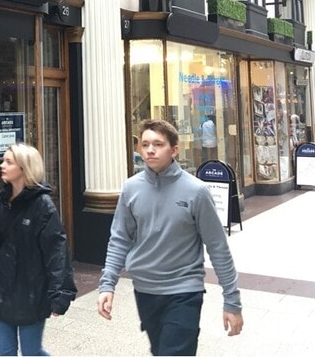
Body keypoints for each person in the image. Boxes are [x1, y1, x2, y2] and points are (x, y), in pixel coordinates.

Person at [97, 119, 243, 356]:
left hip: (184, 291)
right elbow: (120, 239)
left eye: (158, 144)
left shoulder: (196, 191)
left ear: (174, 150)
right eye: (145, 144)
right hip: (145, 290)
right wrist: (107, 285)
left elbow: (217, 247)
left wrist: (232, 301)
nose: (150, 150)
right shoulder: (131, 188)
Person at [0, 143, 76, 356]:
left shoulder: (43, 207)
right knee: (5, 352)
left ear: (24, 168)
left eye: (9, 162)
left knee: (31, 352)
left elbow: (56, 253)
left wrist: (60, 294)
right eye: (3, 160)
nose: (2, 165)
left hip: (31, 294)